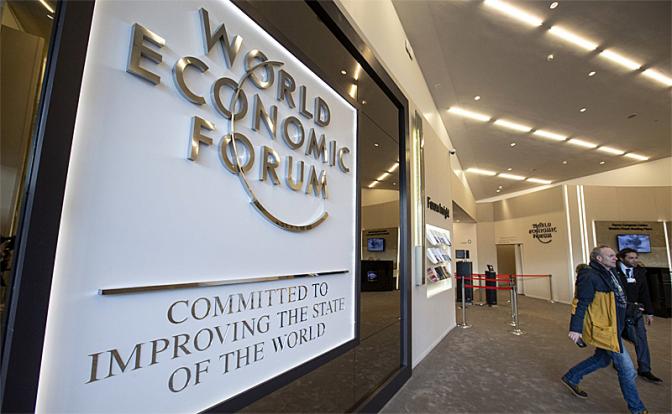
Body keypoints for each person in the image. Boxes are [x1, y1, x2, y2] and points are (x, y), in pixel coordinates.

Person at [561, 245, 647, 414]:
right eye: (610, 256)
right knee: (628, 370)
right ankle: (637, 409)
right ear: (599, 259)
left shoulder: (612, 272)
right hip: (606, 330)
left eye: (614, 255)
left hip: (616, 325)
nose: (615, 258)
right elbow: (581, 303)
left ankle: (572, 377)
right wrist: (575, 328)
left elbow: (617, 298)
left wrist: (631, 307)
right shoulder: (589, 275)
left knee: (602, 359)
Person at [616, 248, 662, 384]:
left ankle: (645, 369)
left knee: (641, 339)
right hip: (618, 311)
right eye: (631, 258)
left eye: (636, 258)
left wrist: (649, 312)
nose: (634, 260)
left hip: (635, 310)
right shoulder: (613, 271)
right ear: (622, 258)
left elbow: (644, 292)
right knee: (616, 337)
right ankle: (617, 360)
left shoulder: (640, 272)